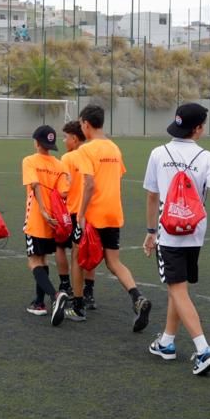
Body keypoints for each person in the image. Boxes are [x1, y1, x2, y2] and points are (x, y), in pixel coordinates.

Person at [142, 103, 210, 373]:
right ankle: (167, 342)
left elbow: (152, 196)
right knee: (178, 287)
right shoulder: (207, 157)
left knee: (177, 289)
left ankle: (203, 350)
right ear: (199, 128)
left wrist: (151, 231)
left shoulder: (158, 153)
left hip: (168, 232)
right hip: (194, 232)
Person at [76, 104, 154, 332]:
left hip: (94, 213)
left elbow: (89, 184)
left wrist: (81, 214)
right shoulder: (114, 148)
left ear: (86, 124)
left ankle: (78, 304)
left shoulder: (86, 150)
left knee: (82, 257)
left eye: (81, 124)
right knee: (114, 262)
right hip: (113, 212)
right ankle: (137, 297)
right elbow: (117, 179)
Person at [21, 125, 72, 320]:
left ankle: (55, 296)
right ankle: (39, 303)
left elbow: (34, 186)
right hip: (54, 221)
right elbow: (64, 193)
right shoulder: (60, 165)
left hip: (37, 219)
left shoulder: (29, 161)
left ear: (36, 142)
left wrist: (42, 210)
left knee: (34, 261)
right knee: (42, 259)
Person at [59, 121, 91, 318]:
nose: (64, 141)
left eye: (66, 137)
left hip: (72, 212)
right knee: (89, 251)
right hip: (90, 212)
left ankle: (67, 287)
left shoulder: (67, 158)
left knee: (65, 249)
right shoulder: (90, 154)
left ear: (74, 138)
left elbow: (64, 189)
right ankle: (89, 293)